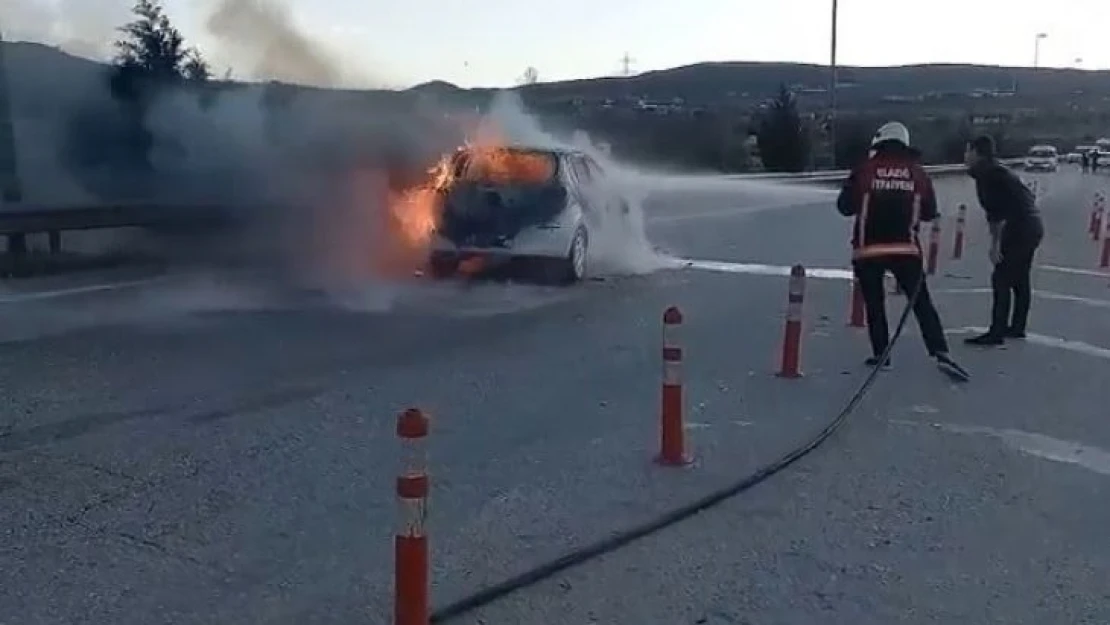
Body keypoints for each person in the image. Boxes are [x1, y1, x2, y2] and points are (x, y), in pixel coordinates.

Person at [837, 121, 968, 378]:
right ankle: (940, 350)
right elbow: (930, 213)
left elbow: (844, 207)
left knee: (875, 305)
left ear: (879, 144)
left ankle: (881, 354)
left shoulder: (864, 170)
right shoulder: (918, 174)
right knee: (921, 303)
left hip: (869, 251)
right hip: (906, 250)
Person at [963, 135, 1045, 345]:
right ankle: (1017, 327)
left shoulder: (987, 174)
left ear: (976, 152)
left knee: (1001, 277)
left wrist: (995, 245)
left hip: (1020, 227)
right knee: (1019, 277)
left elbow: (996, 214)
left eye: (968, 151)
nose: (965, 156)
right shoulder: (997, 170)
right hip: (1032, 225)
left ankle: (997, 332)